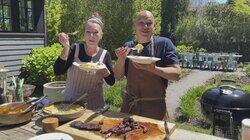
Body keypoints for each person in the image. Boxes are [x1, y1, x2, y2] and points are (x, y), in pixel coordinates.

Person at [114, 10, 181, 120]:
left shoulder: (164, 44)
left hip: (155, 110)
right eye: (141, 23)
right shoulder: (128, 46)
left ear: (154, 26)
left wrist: (154, 69)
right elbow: (117, 76)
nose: (145, 26)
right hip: (129, 108)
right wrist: (121, 59)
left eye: (149, 23)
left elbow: (177, 74)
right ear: (135, 26)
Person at [54, 13, 115, 110]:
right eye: (88, 32)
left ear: (101, 35)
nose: (91, 36)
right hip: (70, 105)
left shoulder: (105, 54)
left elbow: (111, 82)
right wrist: (66, 47)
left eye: (95, 32)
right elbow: (58, 71)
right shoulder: (75, 49)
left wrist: (104, 70)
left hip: (94, 107)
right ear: (84, 34)